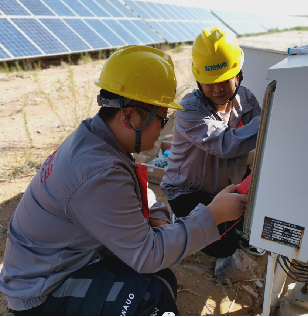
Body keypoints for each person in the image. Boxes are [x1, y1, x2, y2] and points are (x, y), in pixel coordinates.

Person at [0, 45, 248, 316]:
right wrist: (213, 216)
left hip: (61, 262)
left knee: (162, 279)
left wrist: (157, 214)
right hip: (40, 292)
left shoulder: (97, 139)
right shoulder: (98, 171)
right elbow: (148, 254)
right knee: (149, 300)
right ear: (128, 116)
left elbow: (132, 187)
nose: (163, 128)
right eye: (162, 119)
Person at [161, 26, 264, 257]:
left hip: (226, 183)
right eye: (209, 81)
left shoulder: (245, 99)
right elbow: (226, 145)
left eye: (224, 79)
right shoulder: (189, 110)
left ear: (238, 74)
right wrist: (271, 119)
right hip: (189, 191)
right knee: (225, 247)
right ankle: (184, 217)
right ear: (198, 79)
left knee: (262, 202)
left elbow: (260, 138)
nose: (217, 88)